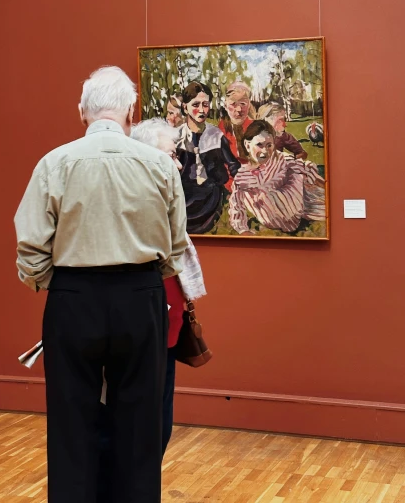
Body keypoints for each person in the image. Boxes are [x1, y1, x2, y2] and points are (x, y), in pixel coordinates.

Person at [14, 66, 188, 503]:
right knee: (141, 428)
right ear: (131, 111)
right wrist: (145, 277)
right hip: (140, 297)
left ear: (81, 113)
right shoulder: (160, 166)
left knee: (71, 426)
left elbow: (31, 249)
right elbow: (175, 249)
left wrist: (65, 284)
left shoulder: (54, 163)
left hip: (73, 300)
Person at [98, 119, 207, 502]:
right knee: (133, 430)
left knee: (158, 428)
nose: (178, 165)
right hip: (141, 328)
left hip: (166, 334)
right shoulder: (134, 204)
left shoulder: (162, 198)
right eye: (171, 154)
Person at [229, 120, 325, 235]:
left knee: (297, 172)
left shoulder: (281, 159)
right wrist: (243, 230)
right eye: (259, 145)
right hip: (272, 216)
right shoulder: (242, 177)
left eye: (269, 145)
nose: (264, 151)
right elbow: (236, 207)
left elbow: (307, 170)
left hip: (294, 208)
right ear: (247, 145)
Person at [177, 81, 240, 234]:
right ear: (185, 107)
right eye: (195, 105)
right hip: (184, 197)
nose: (201, 110)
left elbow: (233, 165)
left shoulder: (216, 135)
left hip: (212, 196)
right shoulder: (176, 137)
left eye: (205, 104)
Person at [218, 81, 255, 190]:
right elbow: (222, 166)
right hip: (231, 182)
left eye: (243, 104)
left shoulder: (256, 128)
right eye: (233, 104)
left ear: (249, 105)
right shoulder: (220, 131)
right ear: (225, 105)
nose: (239, 109)